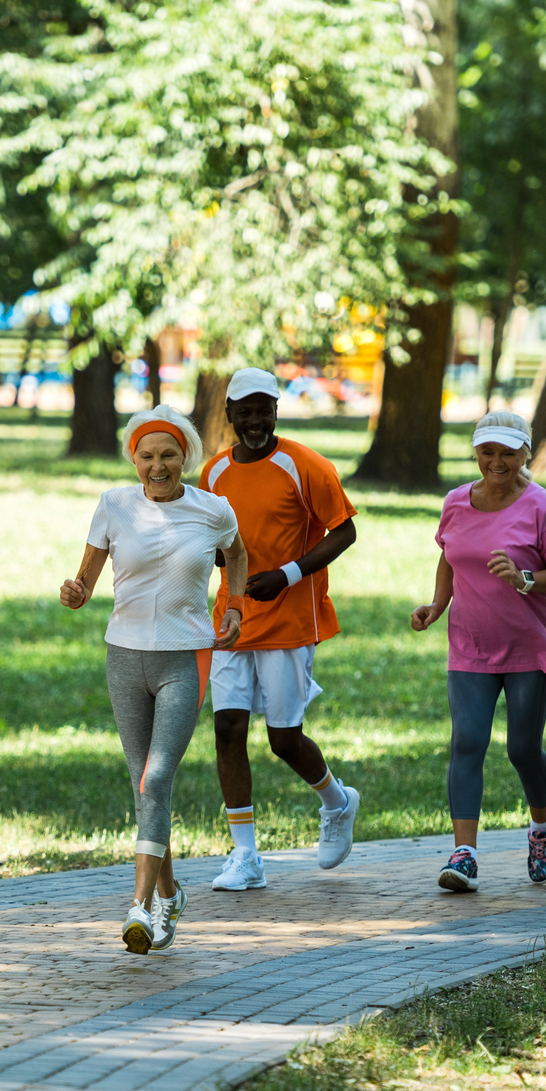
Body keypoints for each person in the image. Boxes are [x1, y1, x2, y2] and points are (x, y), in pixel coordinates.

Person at [61, 406, 250, 953]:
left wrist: (233, 608)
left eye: (168, 454)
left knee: (157, 777)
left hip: (185, 655)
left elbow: (235, 555)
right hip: (124, 655)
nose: (157, 465)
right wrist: (75, 593)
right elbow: (86, 579)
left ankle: (141, 907)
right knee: (143, 782)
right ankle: (169, 896)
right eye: (147, 455)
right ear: (134, 459)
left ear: (184, 457)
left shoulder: (212, 509)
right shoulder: (114, 505)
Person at [197, 367, 361, 891]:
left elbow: (346, 529)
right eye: (244, 412)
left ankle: (337, 801)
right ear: (229, 416)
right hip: (232, 619)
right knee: (228, 731)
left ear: (275, 410)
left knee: (284, 739)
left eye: (263, 409)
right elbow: (214, 542)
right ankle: (245, 855)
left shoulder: (304, 464)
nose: (255, 421)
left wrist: (288, 574)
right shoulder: (214, 473)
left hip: (290, 620)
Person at [410, 412, 546, 892]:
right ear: (476, 452)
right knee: (467, 741)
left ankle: (543, 825)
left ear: (526, 452)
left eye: (508, 453)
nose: (496, 462)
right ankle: (464, 854)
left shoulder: (543, 507)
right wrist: (437, 605)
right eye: (487, 452)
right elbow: (449, 555)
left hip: (529, 643)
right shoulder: (456, 502)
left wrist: (525, 578)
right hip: (470, 644)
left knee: (523, 750)